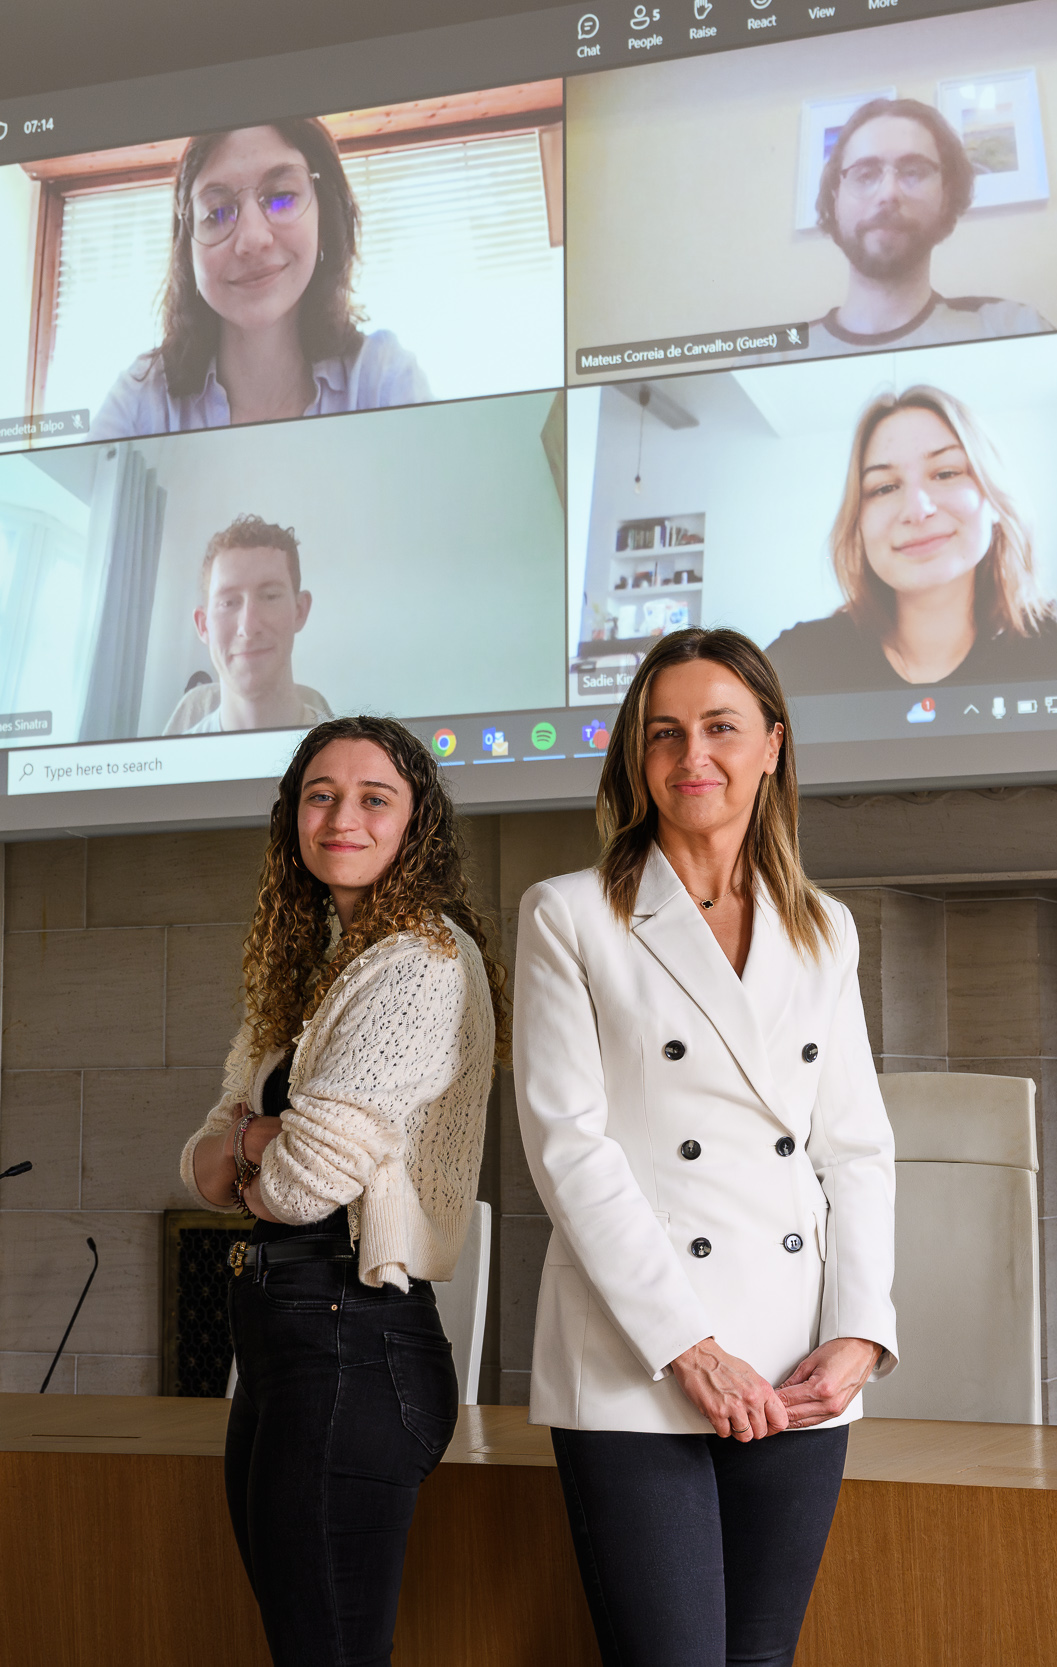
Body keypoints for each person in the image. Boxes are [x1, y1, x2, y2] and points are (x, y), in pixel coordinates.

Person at [512, 627, 898, 1667]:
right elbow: (568, 1147)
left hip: (797, 1360)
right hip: (640, 1357)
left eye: (721, 726)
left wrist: (859, 1331)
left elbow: (856, 1146)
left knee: (761, 1658)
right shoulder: (569, 915)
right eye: (664, 732)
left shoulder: (824, 925)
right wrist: (691, 1344)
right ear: (634, 758)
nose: (694, 755)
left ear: (771, 744)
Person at [179, 715, 505, 1666]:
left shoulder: (418, 963)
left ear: (417, 825)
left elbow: (300, 1187)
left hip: (352, 1344)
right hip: (289, 1338)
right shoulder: (323, 965)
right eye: (320, 794)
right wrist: (252, 1141)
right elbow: (202, 1156)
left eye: (374, 797)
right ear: (293, 817)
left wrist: (252, 1147)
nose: (341, 817)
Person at [765, 385, 1057, 695]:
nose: (916, 509)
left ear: (993, 500)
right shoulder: (798, 660)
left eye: (945, 473)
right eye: (884, 487)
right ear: (857, 522)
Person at [93, 120, 429, 439]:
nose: (252, 240)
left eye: (281, 196)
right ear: (188, 249)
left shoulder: (383, 380)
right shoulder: (140, 401)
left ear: (323, 218)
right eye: (218, 213)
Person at [794, 97, 1051, 358]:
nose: (889, 193)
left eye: (913, 172)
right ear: (836, 197)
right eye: (865, 174)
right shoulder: (774, 351)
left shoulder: (1012, 329)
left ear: (946, 196)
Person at [163, 514, 333, 735]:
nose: (248, 626)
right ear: (203, 626)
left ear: (300, 611)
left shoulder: (344, 755)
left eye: (270, 596)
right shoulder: (177, 762)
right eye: (228, 602)